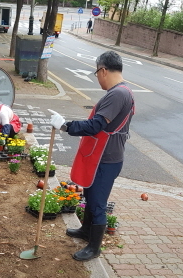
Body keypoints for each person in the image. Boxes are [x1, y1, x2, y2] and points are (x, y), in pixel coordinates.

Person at [50, 51, 134, 262]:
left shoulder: (119, 94)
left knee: (97, 203)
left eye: (97, 73)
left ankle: (94, 247)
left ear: (103, 70)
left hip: (106, 159)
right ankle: (86, 230)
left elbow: (96, 125)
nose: (97, 78)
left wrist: (66, 126)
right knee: (90, 195)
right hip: (102, 157)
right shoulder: (120, 92)